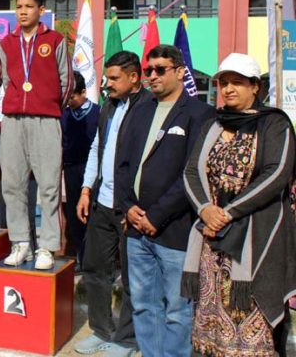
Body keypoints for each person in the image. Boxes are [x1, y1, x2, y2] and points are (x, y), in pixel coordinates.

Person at [182, 53, 296, 357]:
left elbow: (278, 172)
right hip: (212, 239)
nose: (228, 89)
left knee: (253, 322)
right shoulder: (212, 124)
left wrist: (228, 213)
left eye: (238, 82)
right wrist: (206, 209)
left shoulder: (273, 123)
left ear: (255, 87)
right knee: (213, 323)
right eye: (224, 83)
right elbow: (191, 170)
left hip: (255, 238)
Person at [116, 45, 214, 357]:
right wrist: (127, 206)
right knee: (144, 306)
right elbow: (122, 164)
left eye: (160, 69)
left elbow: (193, 173)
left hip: (174, 230)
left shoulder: (200, 113)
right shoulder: (141, 109)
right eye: (149, 70)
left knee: (177, 309)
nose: (153, 76)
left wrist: (156, 216)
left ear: (180, 72)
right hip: (135, 229)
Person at [74, 50, 151, 357]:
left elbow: (149, 164)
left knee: (133, 278)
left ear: (134, 77)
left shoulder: (149, 108)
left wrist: (132, 203)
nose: (108, 84)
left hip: (129, 209)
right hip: (101, 205)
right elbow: (97, 147)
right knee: (95, 269)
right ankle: (101, 329)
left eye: (114, 78)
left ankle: (127, 339)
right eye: (106, 77)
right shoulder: (108, 106)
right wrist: (85, 190)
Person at [0, 0, 73, 270]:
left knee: (50, 186)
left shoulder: (54, 40)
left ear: (41, 10)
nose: (23, 11)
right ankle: (21, 243)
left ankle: (47, 246)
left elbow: (65, 81)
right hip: (15, 120)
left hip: (46, 119)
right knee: (12, 184)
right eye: (19, 6)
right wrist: (20, 102)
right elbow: (7, 81)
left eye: (29, 6)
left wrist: (49, 106)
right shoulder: (6, 43)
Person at [60, 71, 100, 266]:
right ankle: (80, 256)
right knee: (75, 215)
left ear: (84, 92)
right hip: (70, 169)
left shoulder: (98, 113)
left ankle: (93, 258)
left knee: (92, 213)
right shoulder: (64, 115)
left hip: (91, 170)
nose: (69, 101)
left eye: (72, 97)